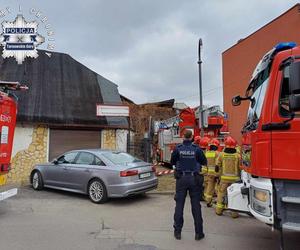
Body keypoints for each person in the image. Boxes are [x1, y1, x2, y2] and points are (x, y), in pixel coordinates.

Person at [171, 130, 207, 241]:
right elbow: (204, 161)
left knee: (179, 205)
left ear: (183, 137)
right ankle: (198, 233)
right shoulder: (197, 149)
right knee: (196, 206)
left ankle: (177, 232)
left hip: (181, 178)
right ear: (191, 137)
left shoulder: (178, 148)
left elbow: (172, 161)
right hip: (194, 179)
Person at [215, 136, 240, 218]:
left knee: (221, 194)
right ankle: (234, 213)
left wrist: (217, 176)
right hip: (235, 180)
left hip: (224, 179)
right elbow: (241, 167)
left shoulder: (222, 155)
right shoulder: (237, 156)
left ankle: (219, 210)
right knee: (234, 196)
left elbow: (217, 166)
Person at [204, 138, 220, 207]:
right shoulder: (217, 153)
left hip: (209, 173)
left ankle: (208, 201)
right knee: (218, 188)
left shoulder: (207, 153)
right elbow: (218, 164)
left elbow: (205, 164)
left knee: (210, 187)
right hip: (216, 174)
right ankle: (219, 201)